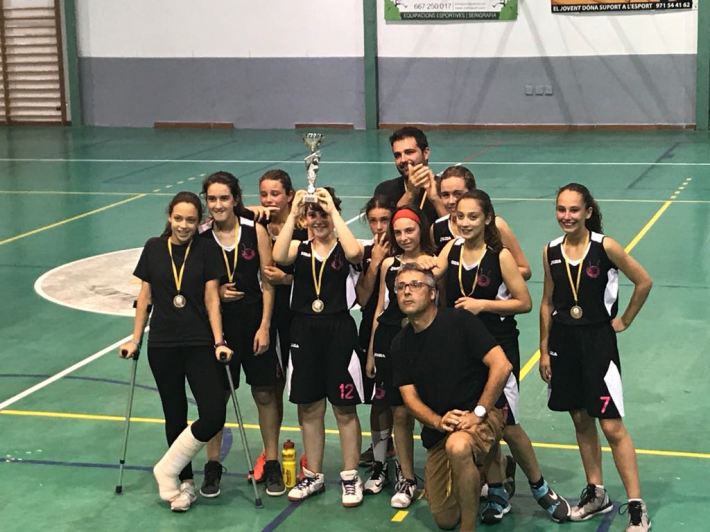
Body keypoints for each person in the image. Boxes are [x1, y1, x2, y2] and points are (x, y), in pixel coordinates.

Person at [424, 190, 570, 524]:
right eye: (460, 216)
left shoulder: (499, 256)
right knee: (482, 420)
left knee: (509, 424)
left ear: (487, 218)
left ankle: (540, 487)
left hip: (498, 346)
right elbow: (433, 270)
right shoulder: (452, 248)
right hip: (464, 351)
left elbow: (524, 302)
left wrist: (483, 305)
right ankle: (497, 488)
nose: (465, 222)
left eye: (473, 216)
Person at [539, 183, 653, 532]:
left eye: (574, 209)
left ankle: (637, 506)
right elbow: (547, 301)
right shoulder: (550, 250)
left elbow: (643, 281)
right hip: (563, 343)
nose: (567, 216)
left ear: (588, 212)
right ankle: (596, 492)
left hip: (598, 343)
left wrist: (625, 320)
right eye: (561, 209)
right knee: (580, 419)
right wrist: (544, 350)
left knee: (611, 425)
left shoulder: (606, 247)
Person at [119, 191, 232, 512]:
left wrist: (219, 341)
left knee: (213, 413)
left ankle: (166, 467)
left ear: (200, 222)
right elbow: (145, 298)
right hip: (163, 344)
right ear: (170, 217)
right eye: (178, 218)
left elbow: (212, 298)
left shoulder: (207, 249)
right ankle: (185, 484)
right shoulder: (154, 248)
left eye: (191, 220)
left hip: (198, 343)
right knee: (175, 413)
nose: (184, 225)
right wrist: (135, 339)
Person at [390, 263, 512, 531]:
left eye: (415, 285)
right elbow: (409, 399)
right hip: (441, 428)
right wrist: (437, 421)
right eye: (401, 287)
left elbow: (502, 365)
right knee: (445, 519)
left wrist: (479, 412)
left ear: (433, 293)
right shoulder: (400, 343)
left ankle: (468, 527)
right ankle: (487, 466)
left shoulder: (460, 322)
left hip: (482, 414)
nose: (407, 292)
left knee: (458, 446)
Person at [272, 186, 366, 507]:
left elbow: (356, 254)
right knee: (310, 407)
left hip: (339, 329)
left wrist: (332, 211)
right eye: (313, 215)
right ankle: (313, 474)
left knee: (344, 407)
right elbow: (277, 257)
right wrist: (296, 210)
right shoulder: (298, 247)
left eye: (324, 214)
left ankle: (350, 476)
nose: (319, 220)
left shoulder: (345, 247)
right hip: (303, 330)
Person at [198, 171, 285, 497]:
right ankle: (213, 466)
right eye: (212, 199)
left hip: (253, 324)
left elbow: (268, 282)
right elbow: (197, 284)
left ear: (235, 199)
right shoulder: (202, 236)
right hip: (218, 328)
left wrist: (265, 326)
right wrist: (217, 293)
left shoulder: (254, 230)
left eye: (224, 198)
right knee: (217, 397)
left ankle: (272, 461)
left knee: (264, 394)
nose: (218, 204)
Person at [363, 205, 435, 508]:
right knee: (398, 412)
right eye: (399, 232)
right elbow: (379, 309)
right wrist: (371, 352)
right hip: (389, 343)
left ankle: (439, 473)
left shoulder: (433, 264)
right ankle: (406, 477)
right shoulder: (388, 265)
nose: (404, 237)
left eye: (410, 230)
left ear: (421, 230)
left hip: (422, 342)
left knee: (428, 409)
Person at [258, 169, 310, 479]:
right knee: (268, 390)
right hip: (266, 321)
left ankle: (309, 454)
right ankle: (270, 455)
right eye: (264, 194)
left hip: (301, 320)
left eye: (275, 193)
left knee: (304, 391)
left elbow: (320, 276)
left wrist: (288, 279)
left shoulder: (306, 227)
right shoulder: (255, 226)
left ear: (290, 195)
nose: (269, 200)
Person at [354, 195, 396, 468]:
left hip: (405, 333)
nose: (379, 227)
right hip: (372, 330)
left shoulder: (410, 247)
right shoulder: (365, 252)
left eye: (385, 220)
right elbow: (362, 298)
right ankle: (382, 451)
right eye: (373, 221)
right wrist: (375, 263)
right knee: (378, 399)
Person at [431, 165, 531, 280]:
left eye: (458, 194)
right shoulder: (437, 228)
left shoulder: (496, 225)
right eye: (445, 195)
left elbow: (525, 270)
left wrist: (487, 275)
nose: (451, 201)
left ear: (472, 192)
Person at [374, 126, 446, 225]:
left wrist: (436, 200)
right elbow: (389, 229)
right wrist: (410, 193)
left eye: (409, 152)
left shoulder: (445, 188)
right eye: (397, 155)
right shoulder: (385, 191)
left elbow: (455, 230)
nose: (403, 160)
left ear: (426, 153)